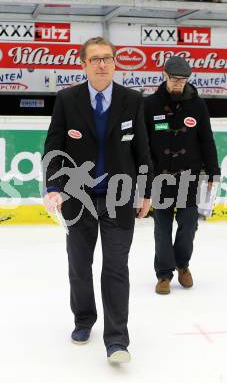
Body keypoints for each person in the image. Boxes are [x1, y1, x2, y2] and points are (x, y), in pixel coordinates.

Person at [43, 37, 152, 363]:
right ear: (84, 64)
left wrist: (145, 190)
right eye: (95, 59)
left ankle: (117, 340)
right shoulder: (66, 99)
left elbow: (142, 148)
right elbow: (53, 147)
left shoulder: (132, 99)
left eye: (107, 58)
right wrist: (52, 186)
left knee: (116, 267)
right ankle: (83, 319)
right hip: (78, 199)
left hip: (119, 198)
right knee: (79, 265)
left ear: (115, 62)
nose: (102, 64)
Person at [144, 56, 220, 295]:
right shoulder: (150, 105)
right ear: (164, 75)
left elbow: (207, 140)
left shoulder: (198, 105)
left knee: (188, 224)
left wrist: (213, 172)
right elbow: (143, 143)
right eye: (174, 79)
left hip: (189, 176)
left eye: (183, 79)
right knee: (162, 227)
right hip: (160, 178)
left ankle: (183, 264)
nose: (178, 83)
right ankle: (164, 274)